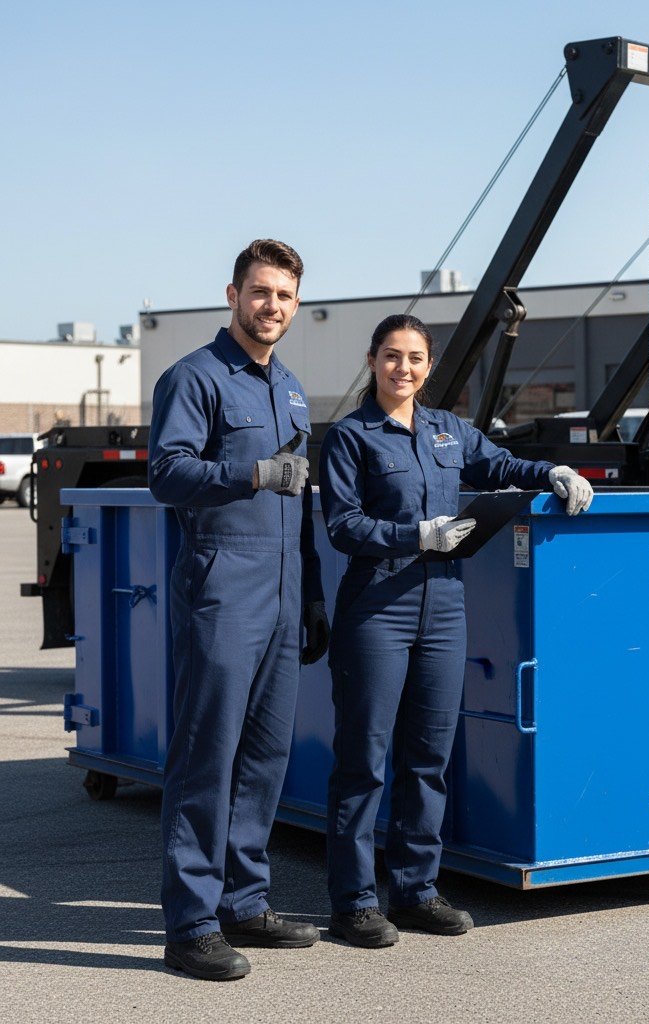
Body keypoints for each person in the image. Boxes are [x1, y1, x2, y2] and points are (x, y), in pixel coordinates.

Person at [319, 313, 593, 948]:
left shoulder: (447, 431)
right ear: (372, 360)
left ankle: (415, 890)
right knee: (363, 760)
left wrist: (551, 473)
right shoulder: (350, 438)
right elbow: (342, 525)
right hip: (377, 606)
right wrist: (415, 535)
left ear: (429, 366)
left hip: (442, 606)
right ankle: (354, 902)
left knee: (430, 755)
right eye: (391, 356)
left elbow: (497, 465)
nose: (403, 368)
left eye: (415, 358)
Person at [149, 239, 330, 981]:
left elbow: (305, 500)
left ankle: (244, 903)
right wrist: (251, 471)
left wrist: (313, 593)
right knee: (206, 758)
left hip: (284, 593)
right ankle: (191, 923)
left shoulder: (289, 388)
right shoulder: (194, 378)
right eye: (261, 292)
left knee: (263, 759)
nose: (273, 307)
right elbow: (167, 473)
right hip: (223, 588)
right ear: (233, 295)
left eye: (285, 296)